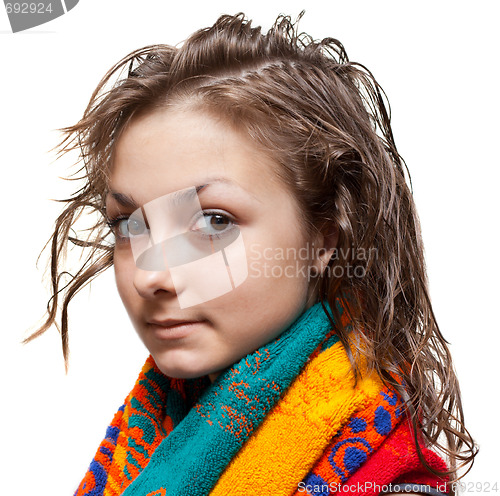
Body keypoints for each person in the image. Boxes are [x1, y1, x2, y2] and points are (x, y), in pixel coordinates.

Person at [27, 12, 477, 496]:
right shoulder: (145, 442)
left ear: (324, 241)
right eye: (129, 224)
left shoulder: (389, 483)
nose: (149, 277)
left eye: (212, 221)